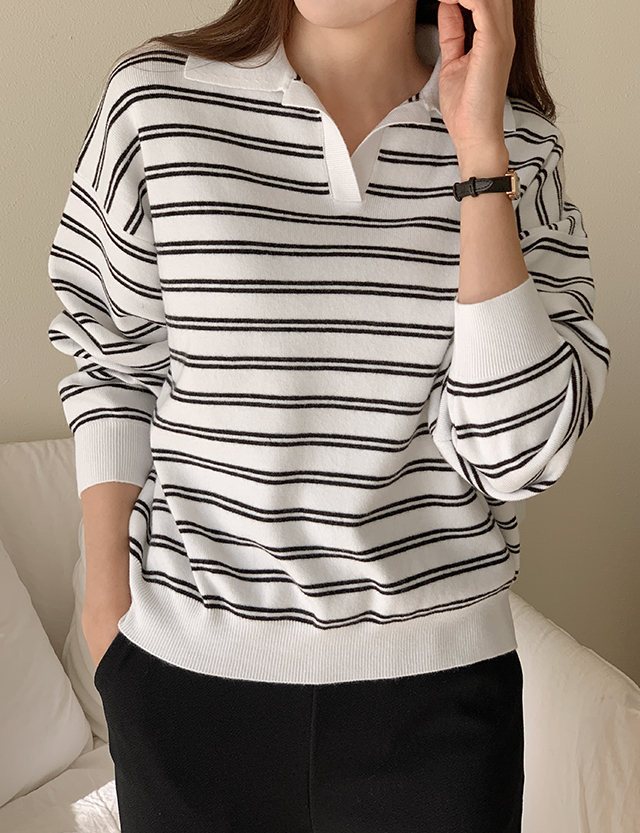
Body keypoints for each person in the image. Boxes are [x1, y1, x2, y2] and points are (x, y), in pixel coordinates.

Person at [47, 0, 610, 830]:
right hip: (184, 696)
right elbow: (112, 357)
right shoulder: (157, 103)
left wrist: (480, 160)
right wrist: (108, 611)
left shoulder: (517, 144)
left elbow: (515, 454)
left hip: (439, 711)